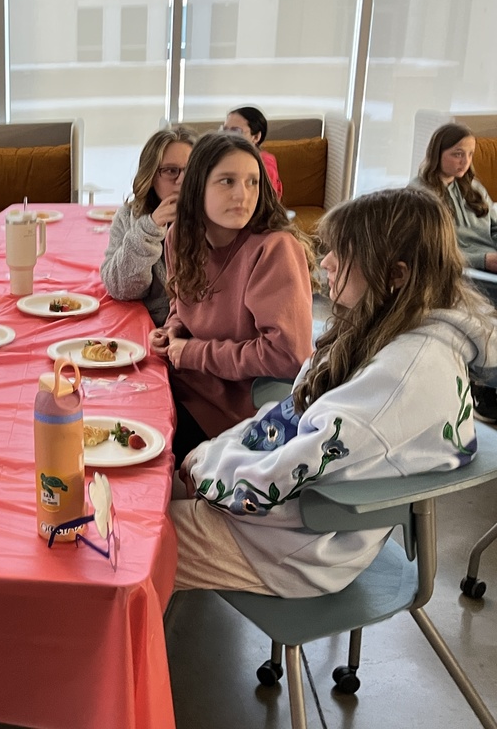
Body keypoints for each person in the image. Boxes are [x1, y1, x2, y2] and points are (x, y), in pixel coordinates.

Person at [170, 188, 497, 597]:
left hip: (296, 548)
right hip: (284, 521)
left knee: (127, 548)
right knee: (143, 496)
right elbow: (292, 415)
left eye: (342, 253)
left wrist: (206, 469)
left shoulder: (404, 376)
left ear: (396, 274)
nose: (326, 262)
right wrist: (213, 453)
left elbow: (283, 474)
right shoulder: (388, 325)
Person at [151, 132, 316, 462]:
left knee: (148, 463)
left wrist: (193, 353)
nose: (242, 195)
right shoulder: (179, 236)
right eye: (227, 181)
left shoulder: (274, 249)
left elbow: (288, 356)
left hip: (242, 413)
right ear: (198, 186)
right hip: (185, 385)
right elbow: (181, 303)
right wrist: (173, 330)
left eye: (253, 182)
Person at [410, 123, 497, 422]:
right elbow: (431, 251)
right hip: (459, 270)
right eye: (457, 154)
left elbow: (494, 225)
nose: (465, 161)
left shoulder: (472, 187)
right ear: (438, 153)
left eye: (470, 154)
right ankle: (486, 386)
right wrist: (482, 259)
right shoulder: (421, 195)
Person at [100, 126, 198, 326]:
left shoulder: (216, 219)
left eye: (190, 170)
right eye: (171, 171)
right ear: (152, 176)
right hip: (153, 327)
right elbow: (120, 289)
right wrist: (150, 228)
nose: (181, 180)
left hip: (200, 333)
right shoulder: (129, 216)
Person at [223, 106, 283, 198]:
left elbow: (268, 204)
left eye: (236, 131)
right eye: (225, 130)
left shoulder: (265, 164)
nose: (227, 136)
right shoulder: (222, 157)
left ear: (256, 137)